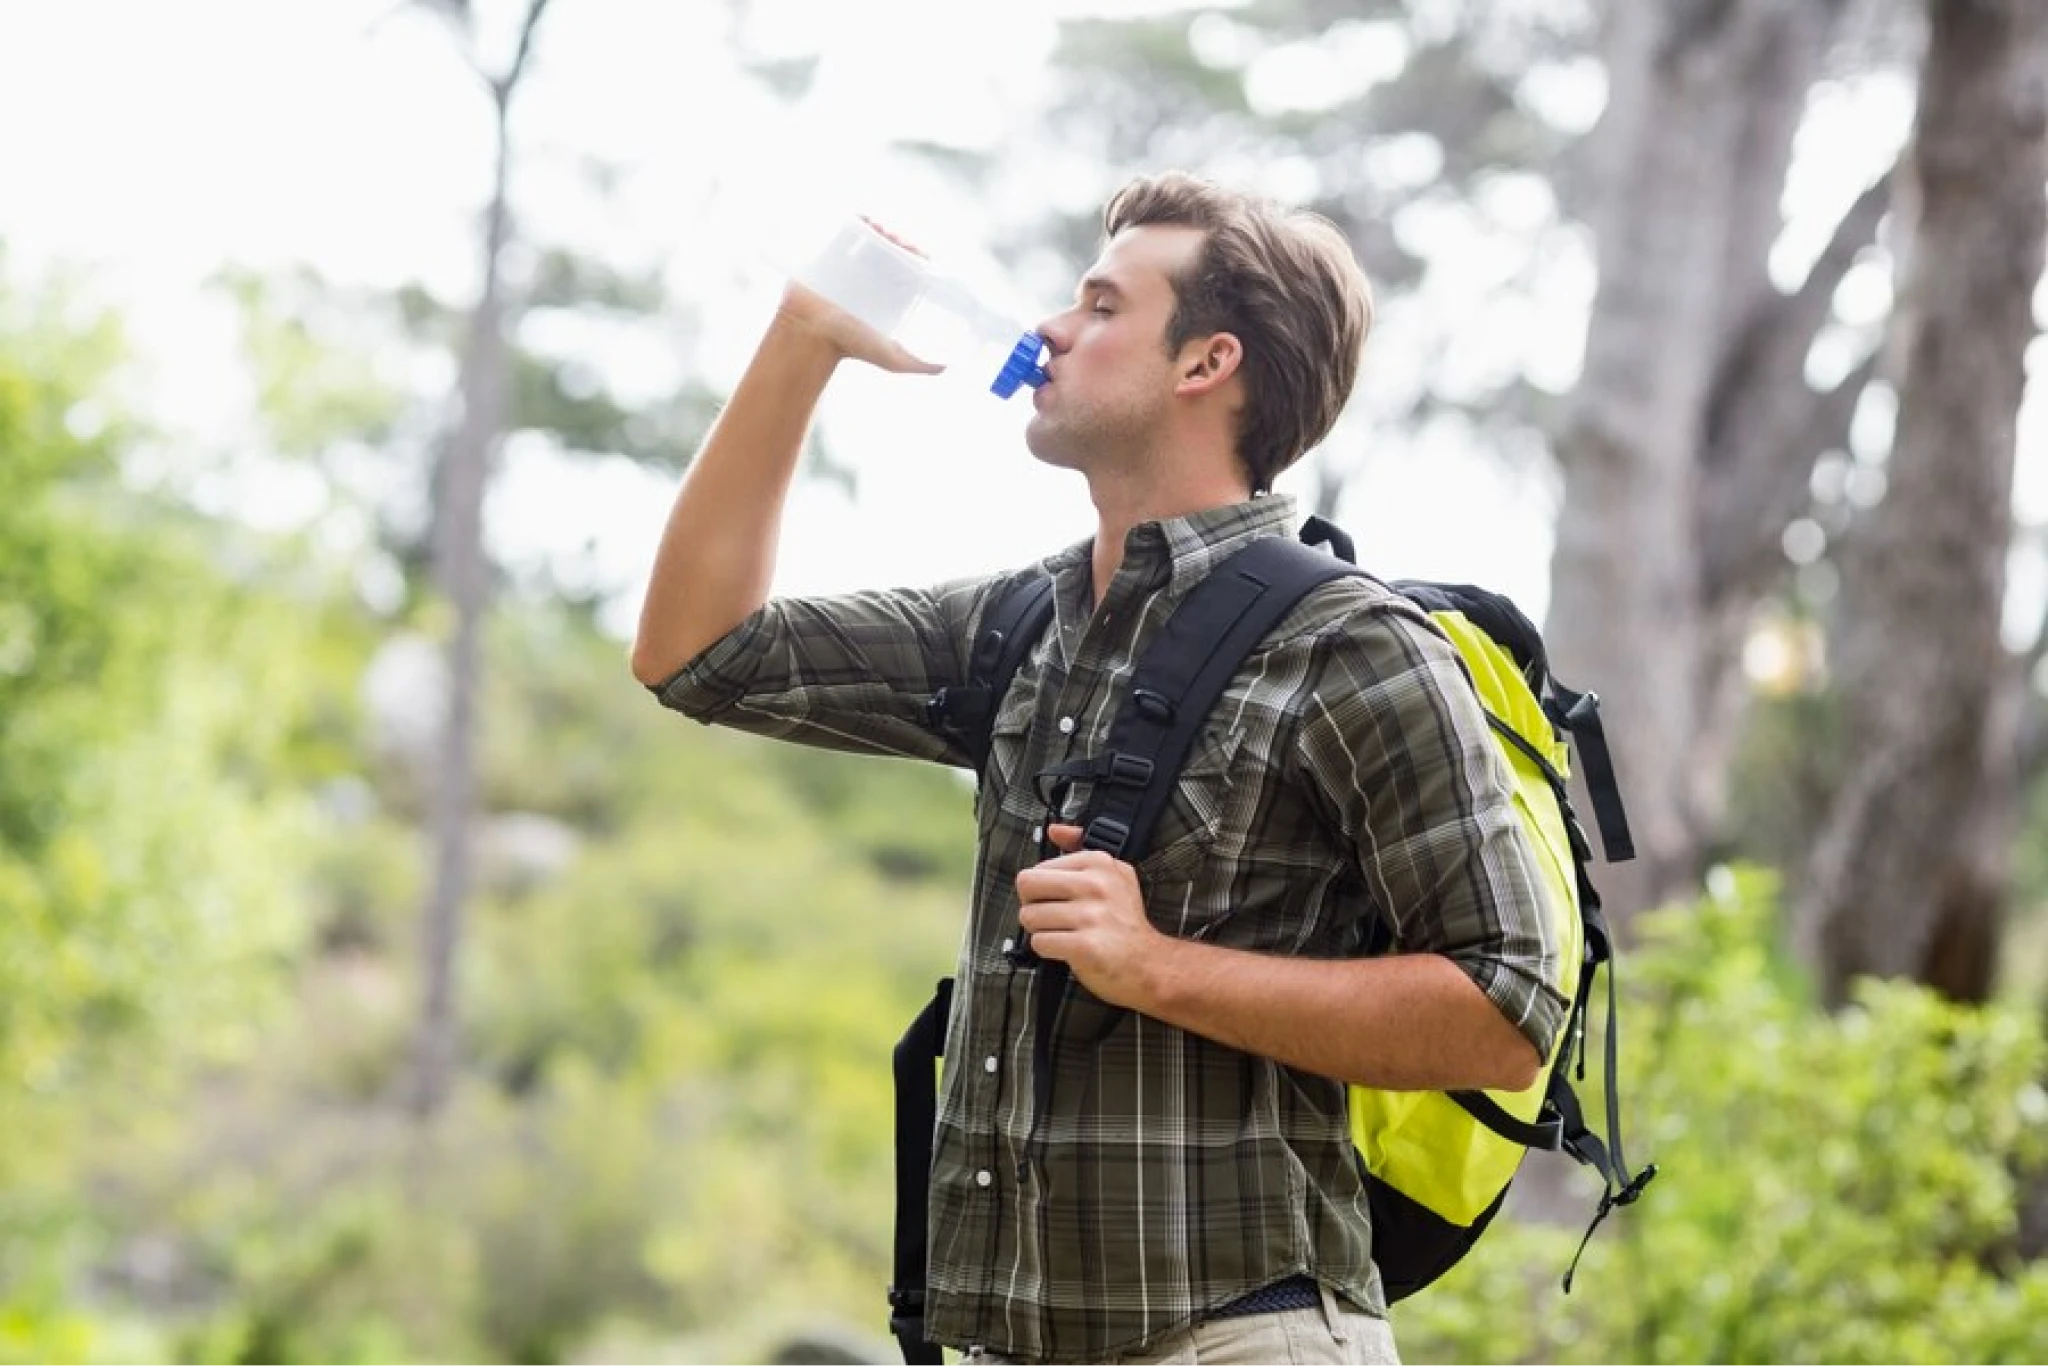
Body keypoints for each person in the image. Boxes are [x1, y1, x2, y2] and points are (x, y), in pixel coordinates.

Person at [630, 171, 1563, 1366]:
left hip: (1241, 1341)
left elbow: (1504, 1009)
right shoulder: (1020, 623)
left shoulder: (1352, 646)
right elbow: (697, 654)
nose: (1049, 329)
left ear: (1203, 362)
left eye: (1100, 305)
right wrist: (803, 336)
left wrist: (1155, 966)